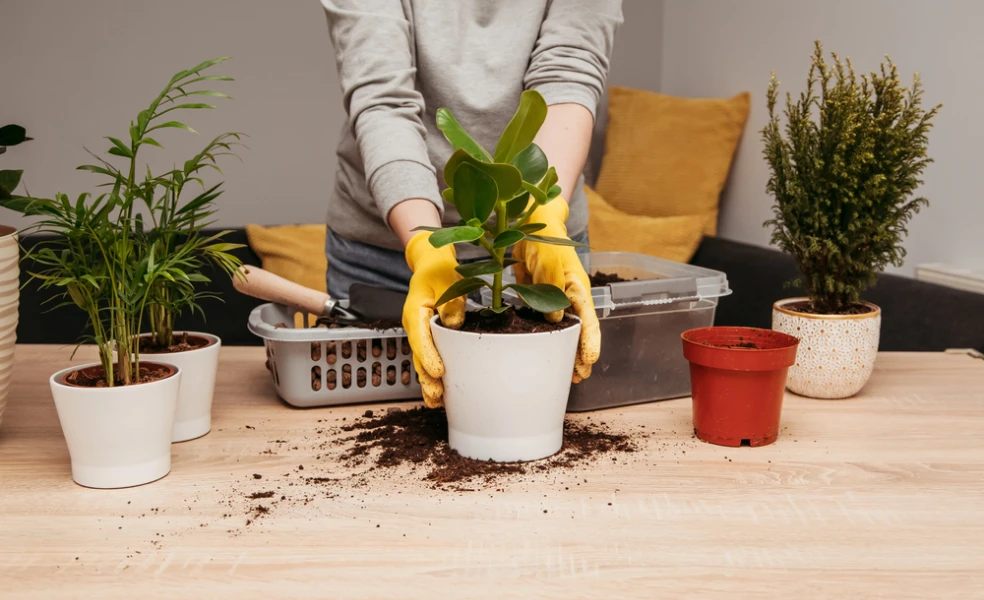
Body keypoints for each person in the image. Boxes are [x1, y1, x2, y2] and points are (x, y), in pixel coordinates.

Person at [321, 0, 623, 407]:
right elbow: (382, 98)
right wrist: (424, 242)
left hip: (536, 251)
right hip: (384, 251)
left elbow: (569, 73)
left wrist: (545, 210)